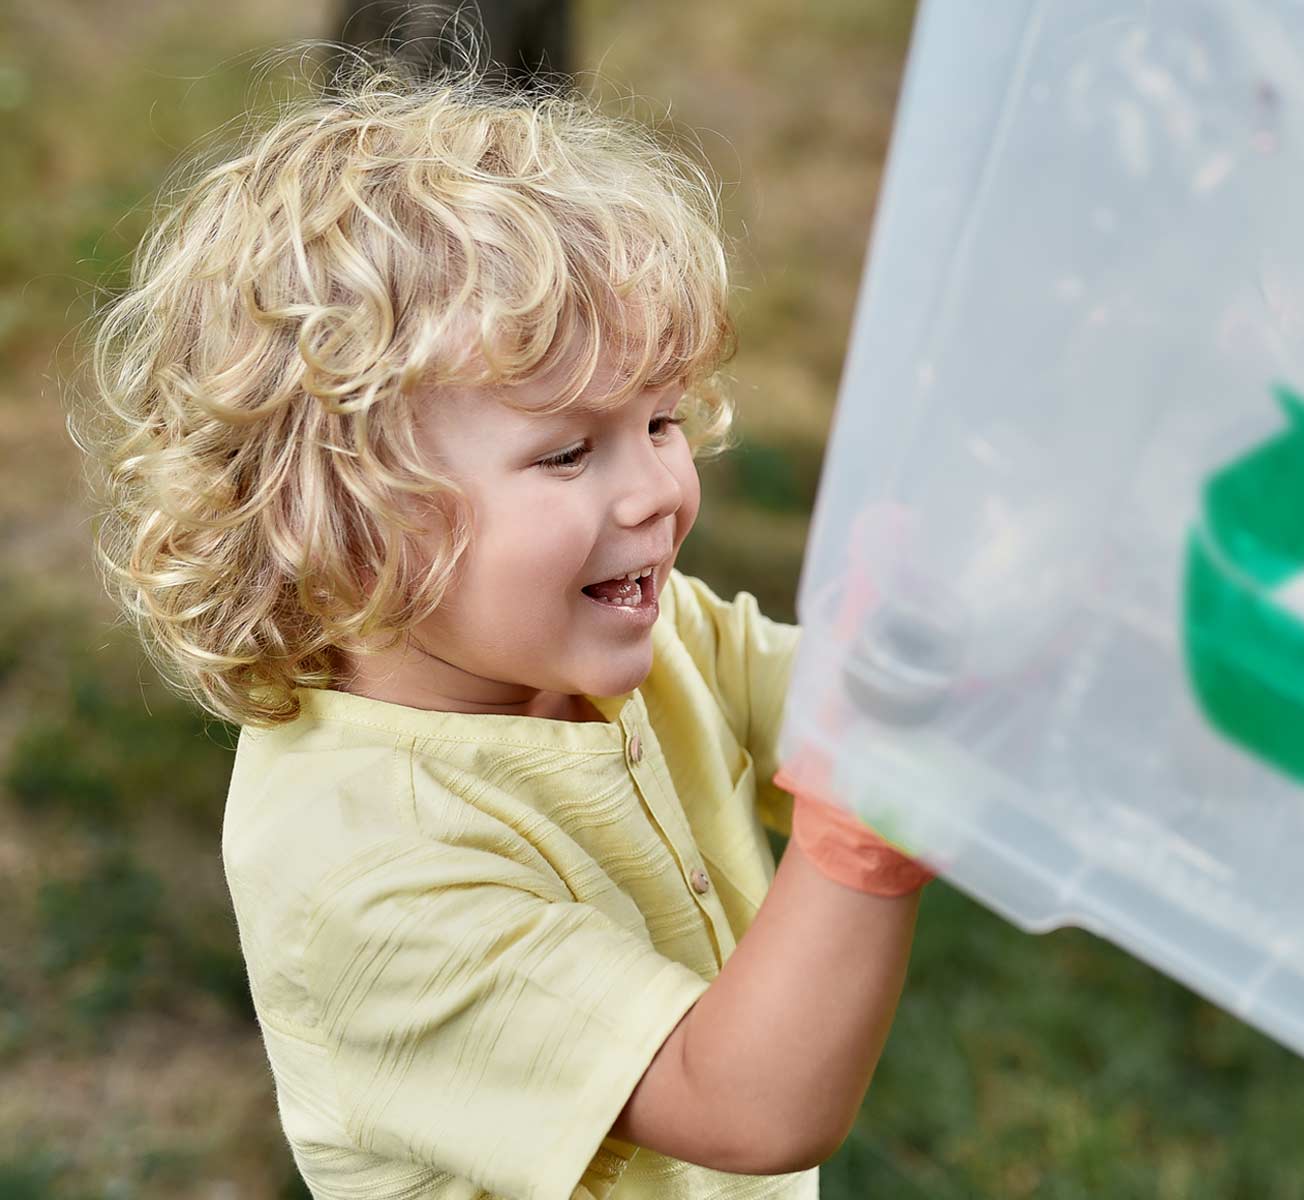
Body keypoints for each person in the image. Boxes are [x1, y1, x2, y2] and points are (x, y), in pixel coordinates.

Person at [71, 46, 937, 1200]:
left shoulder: (643, 635)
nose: (653, 494)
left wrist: (940, 638)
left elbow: (856, 706)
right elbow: (744, 1105)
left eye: (663, 420)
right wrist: (859, 834)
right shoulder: (362, 877)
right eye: (570, 451)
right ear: (347, 515)